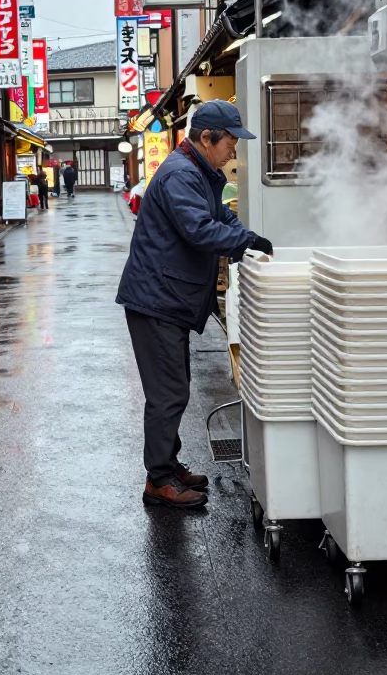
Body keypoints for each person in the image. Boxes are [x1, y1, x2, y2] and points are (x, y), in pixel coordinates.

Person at [117, 100, 273, 509]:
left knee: (174, 389)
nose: (233, 152)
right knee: (167, 393)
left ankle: (167, 464)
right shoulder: (180, 175)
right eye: (230, 143)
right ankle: (159, 480)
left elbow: (220, 215)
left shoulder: (199, 172)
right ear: (207, 138)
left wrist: (247, 237)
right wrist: (245, 243)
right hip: (156, 300)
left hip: (165, 297)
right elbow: (200, 230)